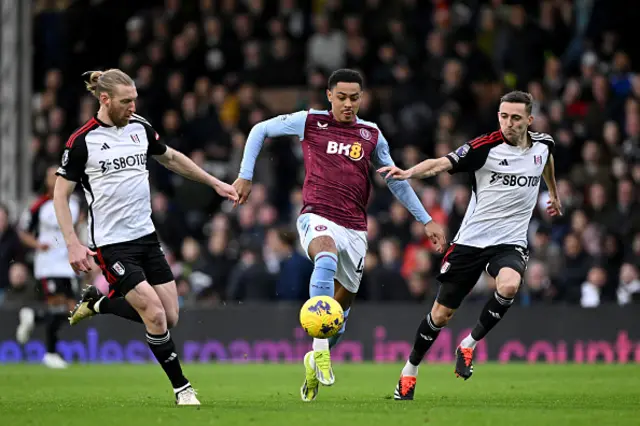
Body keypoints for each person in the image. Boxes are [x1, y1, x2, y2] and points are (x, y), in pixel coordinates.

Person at [232, 68, 446, 402]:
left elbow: (395, 179)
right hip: (317, 215)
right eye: (342, 97)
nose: (348, 104)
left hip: (356, 229)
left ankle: (317, 354)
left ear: (362, 98)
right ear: (329, 95)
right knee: (326, 255)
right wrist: (245, 175)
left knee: (339, 318)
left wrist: (426, 219)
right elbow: (260, 129)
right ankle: (319, 350)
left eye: (354, 98)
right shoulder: (310, 122)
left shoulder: (371, 134)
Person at [55, 69, 238, 405]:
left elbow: (170, 158)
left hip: (147, 238)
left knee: (170, 317)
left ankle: (98, 303)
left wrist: (213, 182)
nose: (132, 106)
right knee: (154, 315)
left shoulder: (139, 126)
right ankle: (183, 389)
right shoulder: (82, 141)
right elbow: (60, 194)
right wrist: (71, 241)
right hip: (112, 245)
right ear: (105, 100)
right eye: (126, 101)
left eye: (135, 98)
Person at [378, 91, 562, 401]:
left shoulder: (543, 145)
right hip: (471, 243)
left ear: (529, 120)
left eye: (516, 118)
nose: (508, 123)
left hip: (510, 242)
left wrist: (553, 194)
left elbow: (547, 162)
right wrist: (409, 172)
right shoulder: (484, 147)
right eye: (503, 116)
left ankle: (469, 344)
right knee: (440, 315)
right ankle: (410, 369)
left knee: (510, 284)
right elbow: (442, 163)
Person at [15, 165, 81, 369]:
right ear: (46, 181)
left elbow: (80, 227)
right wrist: (37, 245)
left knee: (73, 310)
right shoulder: (39, 206)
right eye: (51, 176)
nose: (55, 179)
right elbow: (23, 231)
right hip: (49, 264)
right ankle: (51, 353)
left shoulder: (76, 203)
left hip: (67, 263)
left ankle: (34, 317)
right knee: (58, 305)